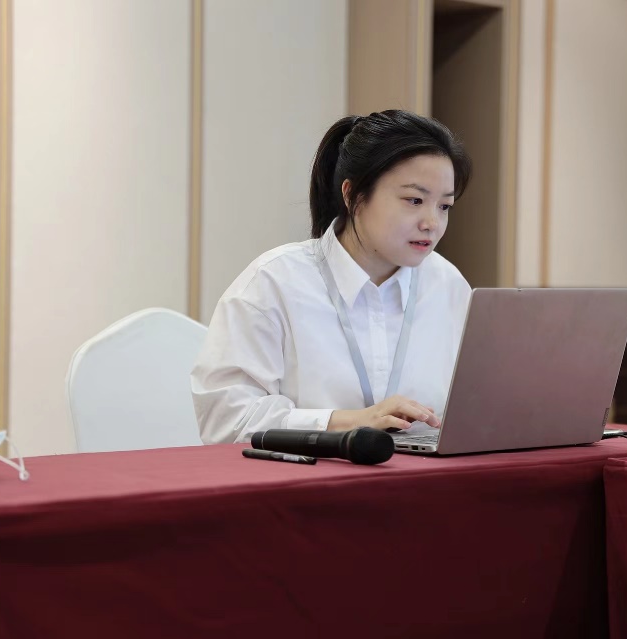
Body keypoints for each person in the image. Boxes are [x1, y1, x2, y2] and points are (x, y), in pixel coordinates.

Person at [191, 109, 473, 444]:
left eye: (444, 206)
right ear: (352, 195)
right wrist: (351, 422)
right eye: (414, 200)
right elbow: (226, 421)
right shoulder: (274, 282)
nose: (432, 223)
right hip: (305, 475)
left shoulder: (447, 284)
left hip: (426, 474)